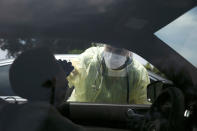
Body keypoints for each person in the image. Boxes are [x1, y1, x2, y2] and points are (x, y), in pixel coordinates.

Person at [0, 47, 82, 131]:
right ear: (53, 79)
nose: (66, 77)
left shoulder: (15, 113)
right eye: (59, 68)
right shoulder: (47, 117)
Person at [67, 44, 150, 104]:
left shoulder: (138, 73)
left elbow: (141, 104)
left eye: (118, 51)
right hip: (78, 117)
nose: (111, 55)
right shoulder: (89, 59)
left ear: (129, 51)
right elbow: (66, 76)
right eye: (109, 48)